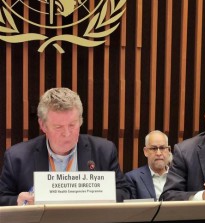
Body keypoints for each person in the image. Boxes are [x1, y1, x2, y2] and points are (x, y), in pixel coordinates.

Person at [0, 87, 131, 206]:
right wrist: (17, 201)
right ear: (43, 125)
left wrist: (97, 195)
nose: (67, 134)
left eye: (72, 125)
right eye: (58, 127)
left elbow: (125, 193)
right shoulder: (17, 157)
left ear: (80, 121)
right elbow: (3, 198)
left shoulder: (104, 151)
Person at [125, 130, 171, 201]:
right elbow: (132, 210)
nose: (158, 153)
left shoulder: (178, 176)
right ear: (145, 151)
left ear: (168, 150)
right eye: (154, 148)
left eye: (162, 148)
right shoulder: (133, 178)